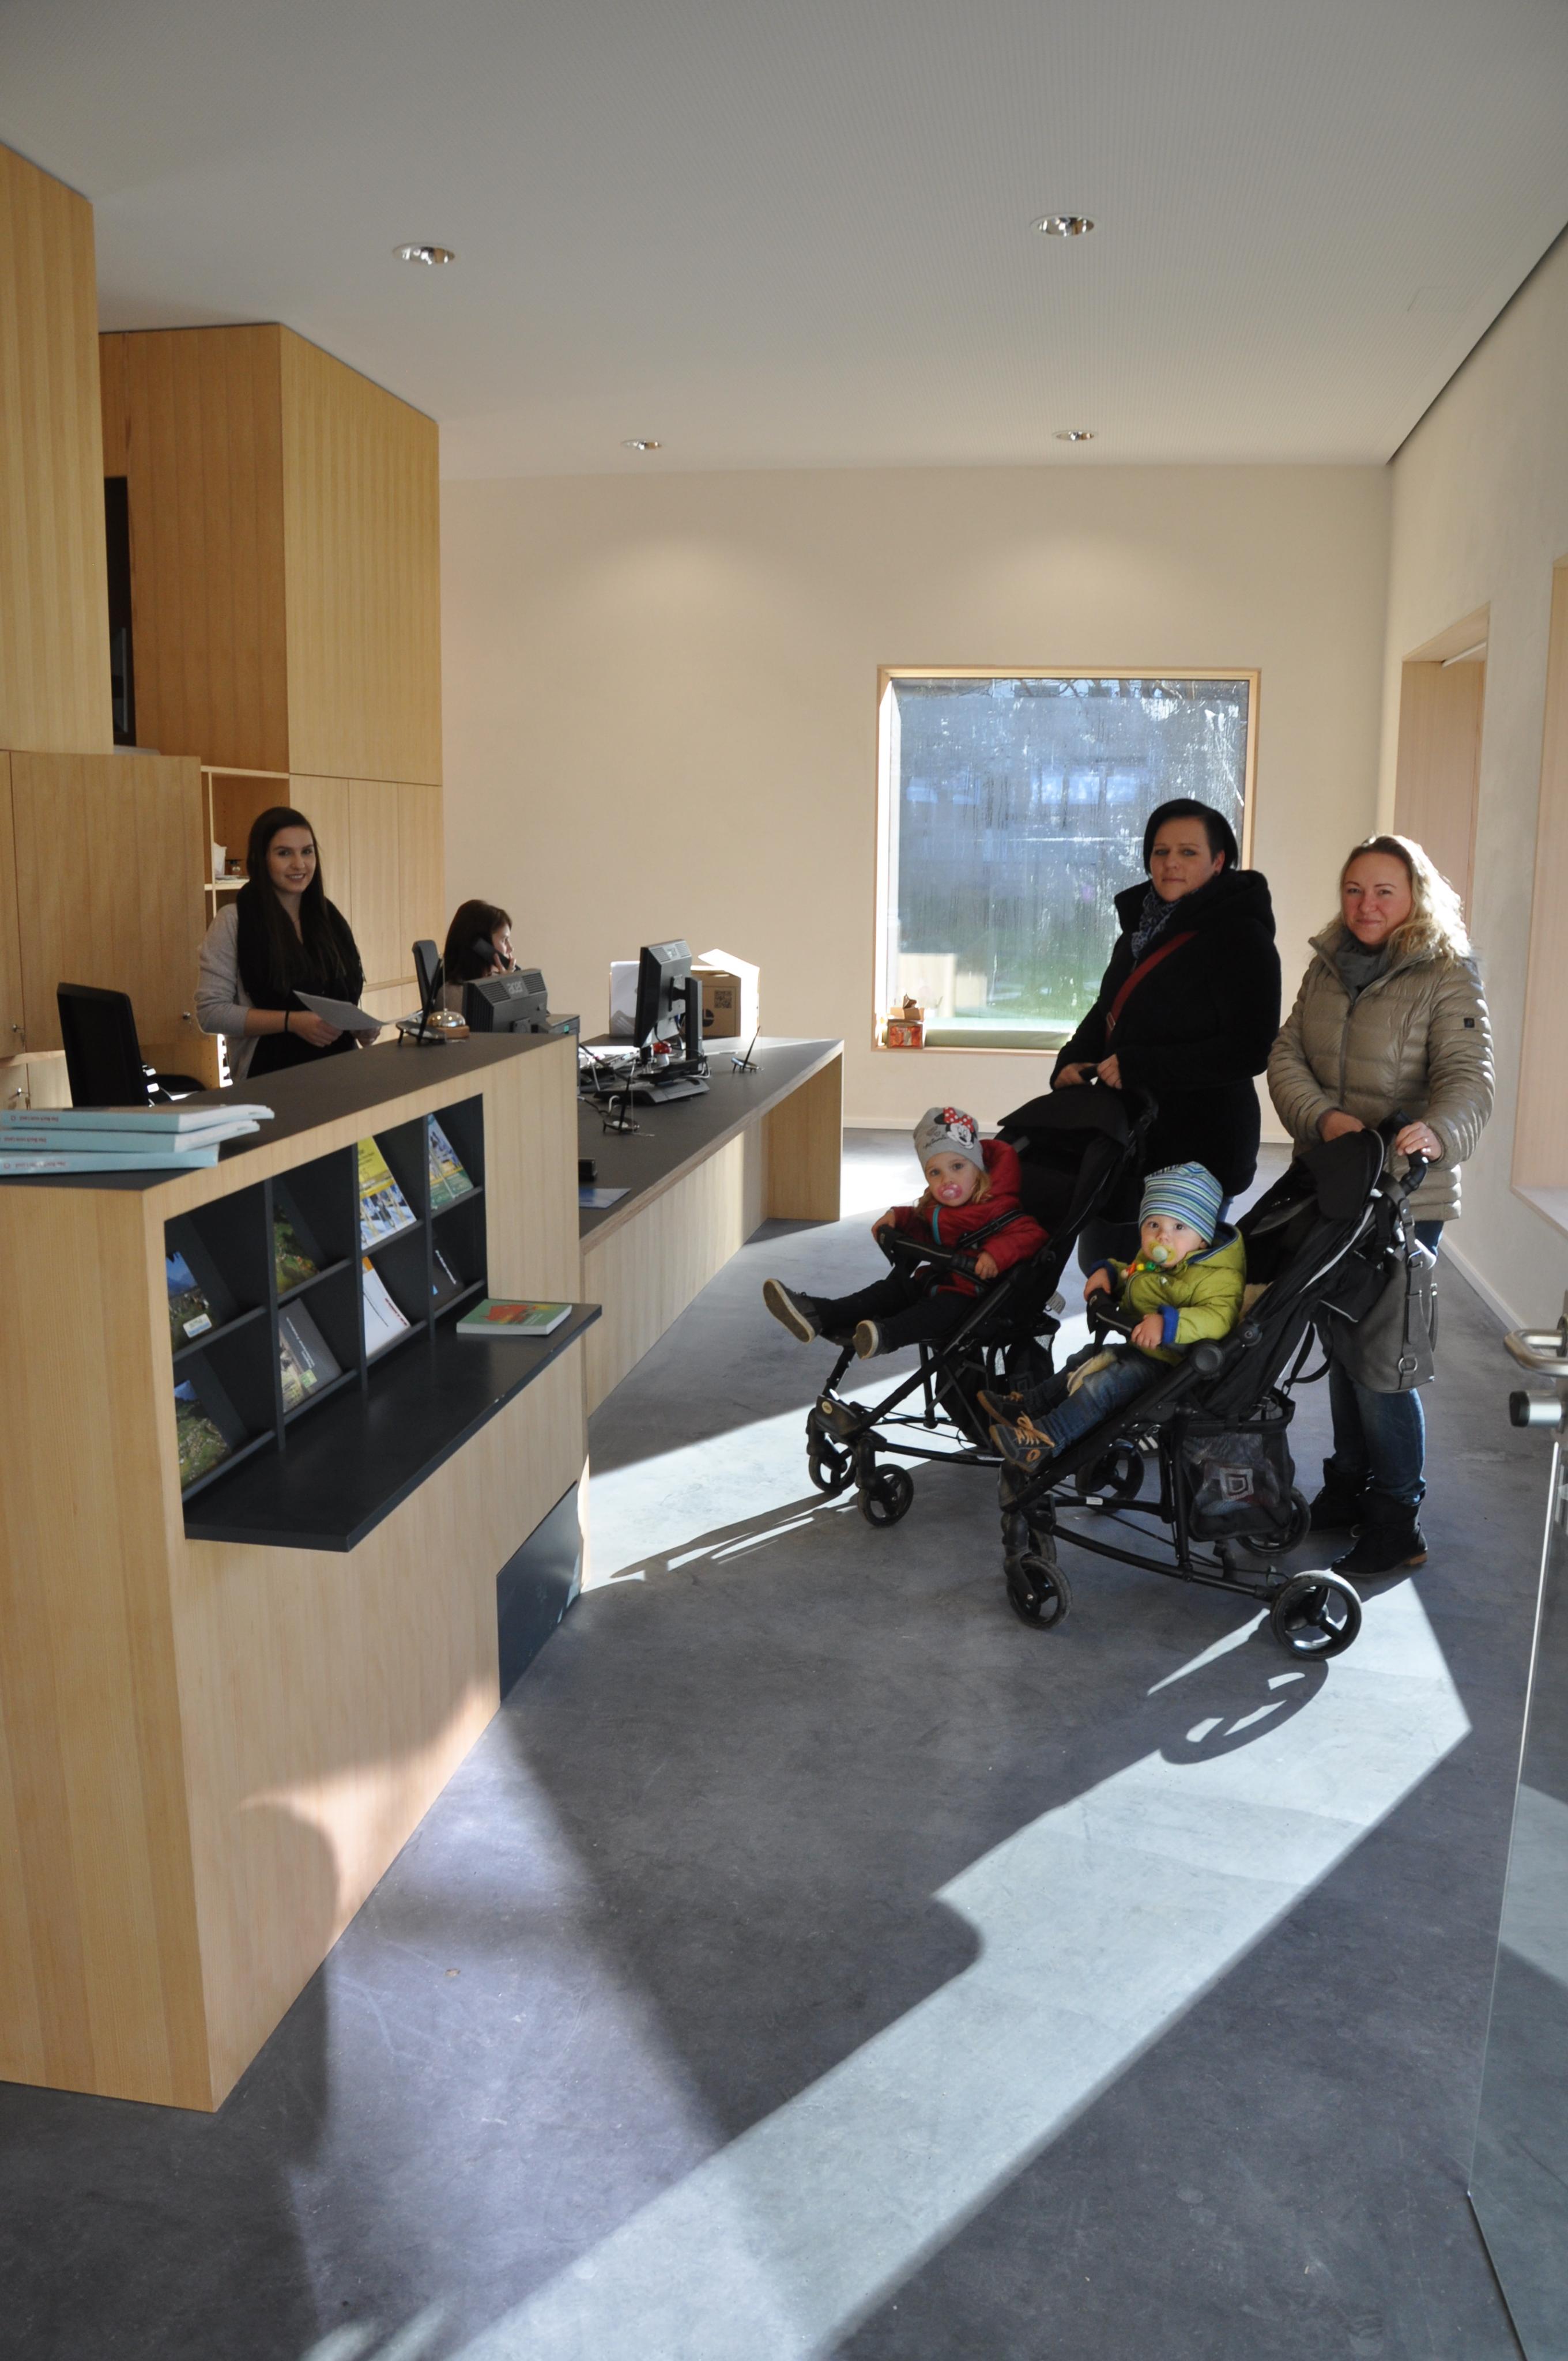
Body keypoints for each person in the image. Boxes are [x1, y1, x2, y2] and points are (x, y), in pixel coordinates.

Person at [1268, 832, 1493, 1577]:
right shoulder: (1327, 963)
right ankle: (1348, 1485)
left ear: (1415, 897)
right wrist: (1324, 1119)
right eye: (1354, 890)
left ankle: (1397, 1519)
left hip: (1404, 1192)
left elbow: (1468, 1078)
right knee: (1339, 1339)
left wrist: (1440, 1130)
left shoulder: (1446, 973)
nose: (1366, 905)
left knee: (1380, 1360)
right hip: (1333, 1179)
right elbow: (1286, 1053)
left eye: (1384, 891)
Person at [1051, 798, 1281, 1265]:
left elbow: (1250, 1049)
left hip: (1199, 1147)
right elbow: (1111, 1008)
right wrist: (1073, 1057)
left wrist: (1141, 1065)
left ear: (1219, 861)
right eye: (1161, 852)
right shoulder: (1140, 929)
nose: (1171, 863)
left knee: (1162, 1281)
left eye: (1188, 852)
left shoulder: (1242, 937)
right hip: (1125, 1137)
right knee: (1103, 1268)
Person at [985, 1163, 1243, 1469]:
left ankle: (1044, 1440)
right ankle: (1030, 1406)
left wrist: (1170, 1324)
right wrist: (1107, 1273)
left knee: (1103, 1385)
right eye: (1154, 1225)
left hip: (1174, 1368)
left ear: (1203, 1238)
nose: (1163, 1237)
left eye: (1179, 1227)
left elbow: (1219, 1318)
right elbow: (1131, 1274)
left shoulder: (1218, 1277)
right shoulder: (1155, 1261)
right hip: (1142, 1351)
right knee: (1084, 1359)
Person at [762, 1105, 1048, 1359]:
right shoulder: (938, 1208)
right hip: (935, 1281)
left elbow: (1031, 1235)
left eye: (958, 1167)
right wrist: (897, 1218)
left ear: (978, 1168)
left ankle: (887, 1335)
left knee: (936, 1312)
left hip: (974, 1298)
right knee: (887, 1291)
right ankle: (819, 1313)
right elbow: (923, 1226)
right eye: (935, 1173)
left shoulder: (998, 1207)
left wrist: (996, 1253)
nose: (947, 1179)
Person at [196, 806, 371, 1083]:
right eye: (284, 853)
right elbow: (211, 1013)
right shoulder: (234, 921)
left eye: (307, 852)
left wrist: (359, 1025)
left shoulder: (328, 917)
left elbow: (340, 995)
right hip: (271, 1077)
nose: (299, 864)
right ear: (262, 859)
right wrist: (291, 1022)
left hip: (341, 1072)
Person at [441, 899, 515, 1014]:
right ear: (481, 946)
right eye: (504, 940)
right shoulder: (455, 993)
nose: (510, 948)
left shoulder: (490, 981)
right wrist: (504, 991)